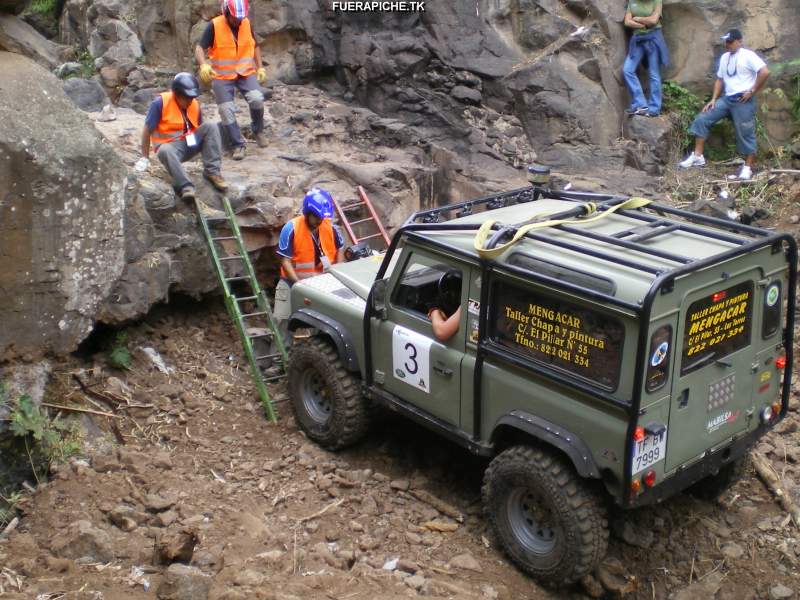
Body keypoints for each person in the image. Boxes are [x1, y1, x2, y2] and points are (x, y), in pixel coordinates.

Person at [679, 29, 770, 180]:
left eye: (730, 41)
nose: (727, 44)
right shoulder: (724, 57)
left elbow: (765, 72)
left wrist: (752, 91)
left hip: (743, 99)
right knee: (703, 118)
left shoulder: (748, 55)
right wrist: (714, 99)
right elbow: (720, 79)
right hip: (727, 99)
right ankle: (698, 157)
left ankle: (747, 168)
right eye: (726, 41)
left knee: (745, 132)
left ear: (739, 41)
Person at [195, 0, 268, 160]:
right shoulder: (214, 25)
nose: (238, 21)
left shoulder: (246, 23)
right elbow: (200, 48)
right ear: (227, 13)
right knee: (226, 110)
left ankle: (258, 131)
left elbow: (255, 45)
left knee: (257, 98)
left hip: (245, 72)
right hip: (222, 75)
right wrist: (203, 65)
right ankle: (237, 144)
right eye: (235, 18)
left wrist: (260, 67)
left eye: (240, 18)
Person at [140, 72, 228, 202]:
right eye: (186, 98)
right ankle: (185, 186)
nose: (189, 101)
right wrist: (145, 158)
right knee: (165, 150)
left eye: (191, 98)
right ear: (176, 94)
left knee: (211, 126)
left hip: (188, 143)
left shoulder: (194, 104)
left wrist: (207, 152)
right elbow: (147, 130)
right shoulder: (160, 103)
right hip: (169, 148)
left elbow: (200, 130)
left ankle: (212, 172)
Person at [273, 188, 346, 346]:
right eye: (316, 217)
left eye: (322, 217)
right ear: (308, 213)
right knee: (281, 320)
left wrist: (338, 269)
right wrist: (299, 284)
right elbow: (285, 261)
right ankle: (278, 357)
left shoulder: (330, 227)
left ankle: (313, 355)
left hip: (321, 285)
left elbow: (340, 248)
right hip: (291, 283)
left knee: (324, 325)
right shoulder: (291, 228)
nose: (320, 221)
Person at [622, 0, 669, 117]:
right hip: (638, 39)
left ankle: (654, 108)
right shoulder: (632, 2)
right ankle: (640, 104)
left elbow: (654, 20)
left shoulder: (657, 1)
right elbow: (627, 22)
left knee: (654, 74)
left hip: (653, 38)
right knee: (627, 70)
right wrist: (643, 25)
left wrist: (637, 19)